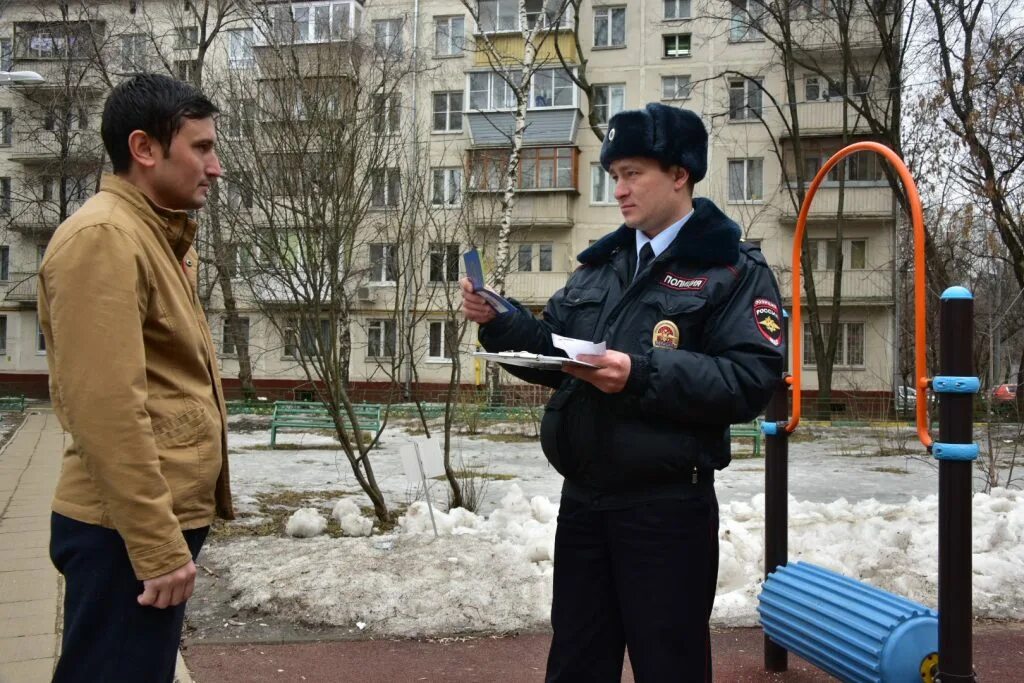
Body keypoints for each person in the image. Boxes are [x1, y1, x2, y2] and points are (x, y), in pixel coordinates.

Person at [461, 103, 784, 682]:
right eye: (614, 176)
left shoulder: (731, 269)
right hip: (585, 503)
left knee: (670, 667)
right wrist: (500, 317)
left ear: (680, 174)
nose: (620, 190)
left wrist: (639, 373)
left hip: (665, 511)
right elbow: (553, 350)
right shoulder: (602, 265)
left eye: (633, 173)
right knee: (577, 664)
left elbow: (748, 381)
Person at [39, 73, 232, 682]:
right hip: (121, 533)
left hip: (139, 526)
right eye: (200, 148)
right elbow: (106, 412)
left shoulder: (155, 234)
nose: (216, 167)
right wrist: (155, 545)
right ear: (145, 149)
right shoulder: (105, 239)